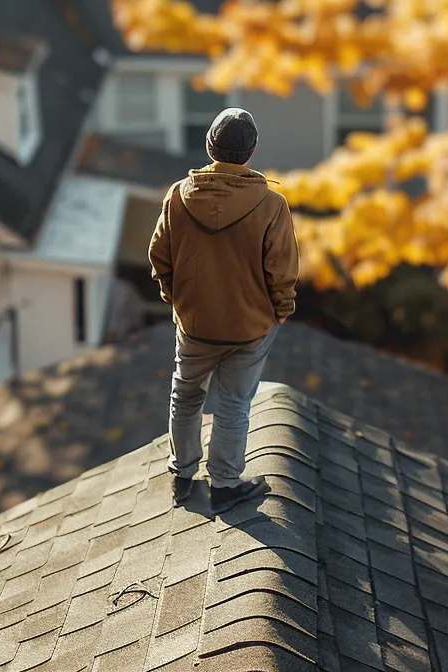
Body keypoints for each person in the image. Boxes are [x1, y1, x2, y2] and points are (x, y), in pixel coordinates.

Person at [148, 107, 298, 513]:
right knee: (233, 404)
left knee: (186, 395)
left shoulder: (178, 195)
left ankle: (182, 475)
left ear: (209, 146)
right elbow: (281, 269)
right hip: (249, 326)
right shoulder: (271, 205)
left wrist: (175, 297)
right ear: (252, 151)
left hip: (195, 323)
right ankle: (227, 484)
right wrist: (282, 308)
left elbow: (159, 256)